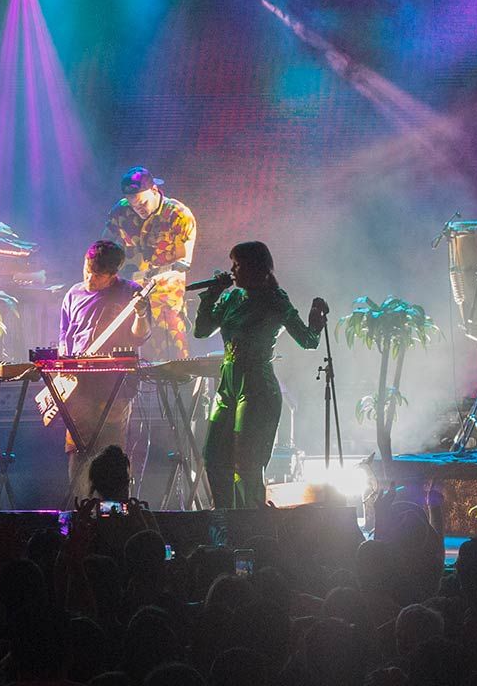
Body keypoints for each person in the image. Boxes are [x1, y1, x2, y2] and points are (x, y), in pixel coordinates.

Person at [193, 241, 329, 508]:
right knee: (214, 459)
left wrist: (315, 323)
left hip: (257, 388)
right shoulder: (232, 298)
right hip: (228, 385)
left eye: (238, 265)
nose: (233, 270)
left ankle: (252, 532)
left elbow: (307, 340)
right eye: (232, 264)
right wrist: (212, 295)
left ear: (259, 269)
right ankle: (224, 524)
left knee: (246, 466)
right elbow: (201, 330)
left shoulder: (275, 300)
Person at [51, 240, 151, 473]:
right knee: (77, 448)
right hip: (78, 385)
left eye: (97, 275)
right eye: (87, 270)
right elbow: (65, 336)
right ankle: (79, 504)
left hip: (114, 386)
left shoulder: (131, 292)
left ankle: (112, 506)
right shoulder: (73, 294)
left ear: (113, 274)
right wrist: (61, 374)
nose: (90, 279)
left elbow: (140, 337)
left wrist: (141, 314)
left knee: (111, 450)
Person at [103, 167, 197, 360]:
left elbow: (183, 262)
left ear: (155, 190)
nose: (139, 209)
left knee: (173, 352)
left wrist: (151, 275)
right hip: (129, 293)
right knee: (126, 350)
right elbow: (104, 245)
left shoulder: (178, 215)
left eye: (143, 203)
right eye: (134, 205)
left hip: (165, 295)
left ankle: (181, 386)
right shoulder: (120, 211)